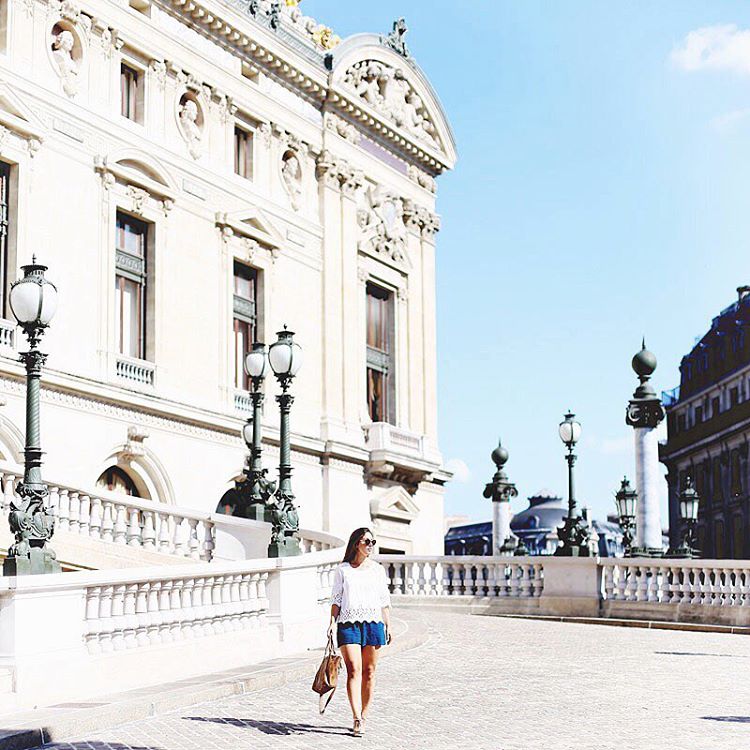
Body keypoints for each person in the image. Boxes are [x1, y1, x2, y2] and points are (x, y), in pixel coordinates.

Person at [328, 527, 391, 737]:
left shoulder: (377, 570)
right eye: (367, 542)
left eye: (373, 542)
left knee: (370, 672)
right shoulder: (343, 570)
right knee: (354, 669)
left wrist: (387, 625)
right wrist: (331, 623)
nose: (370, 546)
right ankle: (356, 718)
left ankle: (364, 716)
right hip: (348, 624)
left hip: (373, 623)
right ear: (357, 544)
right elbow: (336, 599)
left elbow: (384, 600)